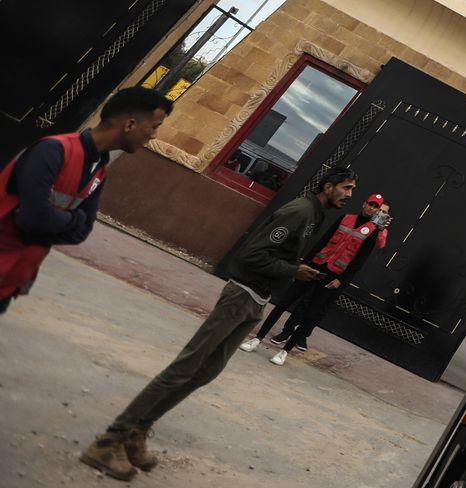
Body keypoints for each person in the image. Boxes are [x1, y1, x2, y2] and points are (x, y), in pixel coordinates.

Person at [80, 168, 356, 480]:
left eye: (352, 190)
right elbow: (252, 255)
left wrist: (292, 270)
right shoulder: (299, 211)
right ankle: (109, 441)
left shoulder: (315, 215)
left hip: (256, 301)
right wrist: (293, 271)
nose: (349, 196)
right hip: (240, 295)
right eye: (346, 188)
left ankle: (136, 433)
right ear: (328, 186)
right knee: (184, 368)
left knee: (206, 371)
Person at [0, 88, 171, 315]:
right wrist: (72, 219)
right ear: (129, 124)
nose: (153, 135)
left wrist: (54, 222)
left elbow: (81, 232)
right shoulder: (54, 150)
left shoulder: (99, 170)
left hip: (11, 277)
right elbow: (34, 219)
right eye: (154, 126)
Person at [242, 191, 392, 364]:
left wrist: (341, 281)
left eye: (376, 207)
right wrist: (305, 261)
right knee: (284, 302)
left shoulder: (373, 232)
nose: (371, 208)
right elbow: (324, 240)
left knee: (311, 314)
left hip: (333, 275)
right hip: (315, 265)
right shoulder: (346, 218)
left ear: (379, 211)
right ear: (364, 204)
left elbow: (359, 261)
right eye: (370, 204)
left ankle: (285, 351)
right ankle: (257, 338)